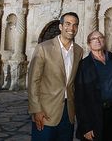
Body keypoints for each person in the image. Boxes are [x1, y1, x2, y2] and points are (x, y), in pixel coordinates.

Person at [28, 12, 84, 141]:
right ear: (60, 26)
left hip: (68, 112)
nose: (71, 28)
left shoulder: (78, 51)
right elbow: (33, 81)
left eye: (75, 25)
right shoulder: (43, 48)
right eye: (68, 24)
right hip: (46, 111)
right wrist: (36, 110)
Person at [75, 31, 112, 141]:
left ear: (104, 40)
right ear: (89, 43)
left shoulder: (111, 58)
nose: (98, 40)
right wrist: (86, 126)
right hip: (94, 113)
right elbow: (79, 98)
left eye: (100, 37)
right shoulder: (84, 65)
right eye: (94, 39)